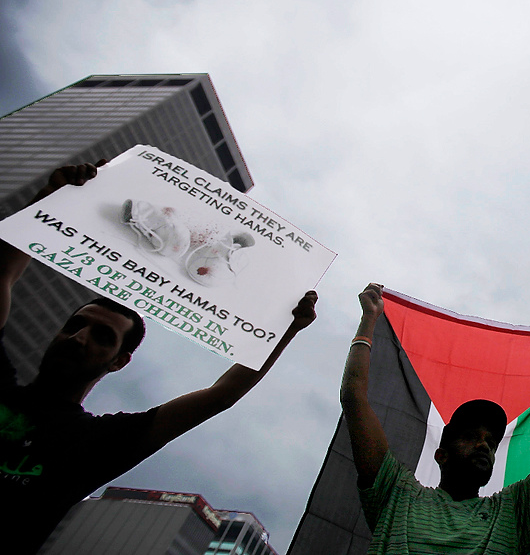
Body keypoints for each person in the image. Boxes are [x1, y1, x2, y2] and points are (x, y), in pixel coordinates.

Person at [0, 163, 318, 554]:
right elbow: (1, 275)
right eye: (74, 325)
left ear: (120, 362)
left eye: (102, 337)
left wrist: (284, 329)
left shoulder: (97, 443)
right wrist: (52, 195)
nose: (79, 338)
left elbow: (221, 395)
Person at [343, 283, 530, 554]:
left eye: (490, 441)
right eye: (470, 437)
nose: (484, 445)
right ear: (441, 455)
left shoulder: (513, 513)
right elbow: (354, 399)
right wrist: (369, 320)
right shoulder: (396, 496)